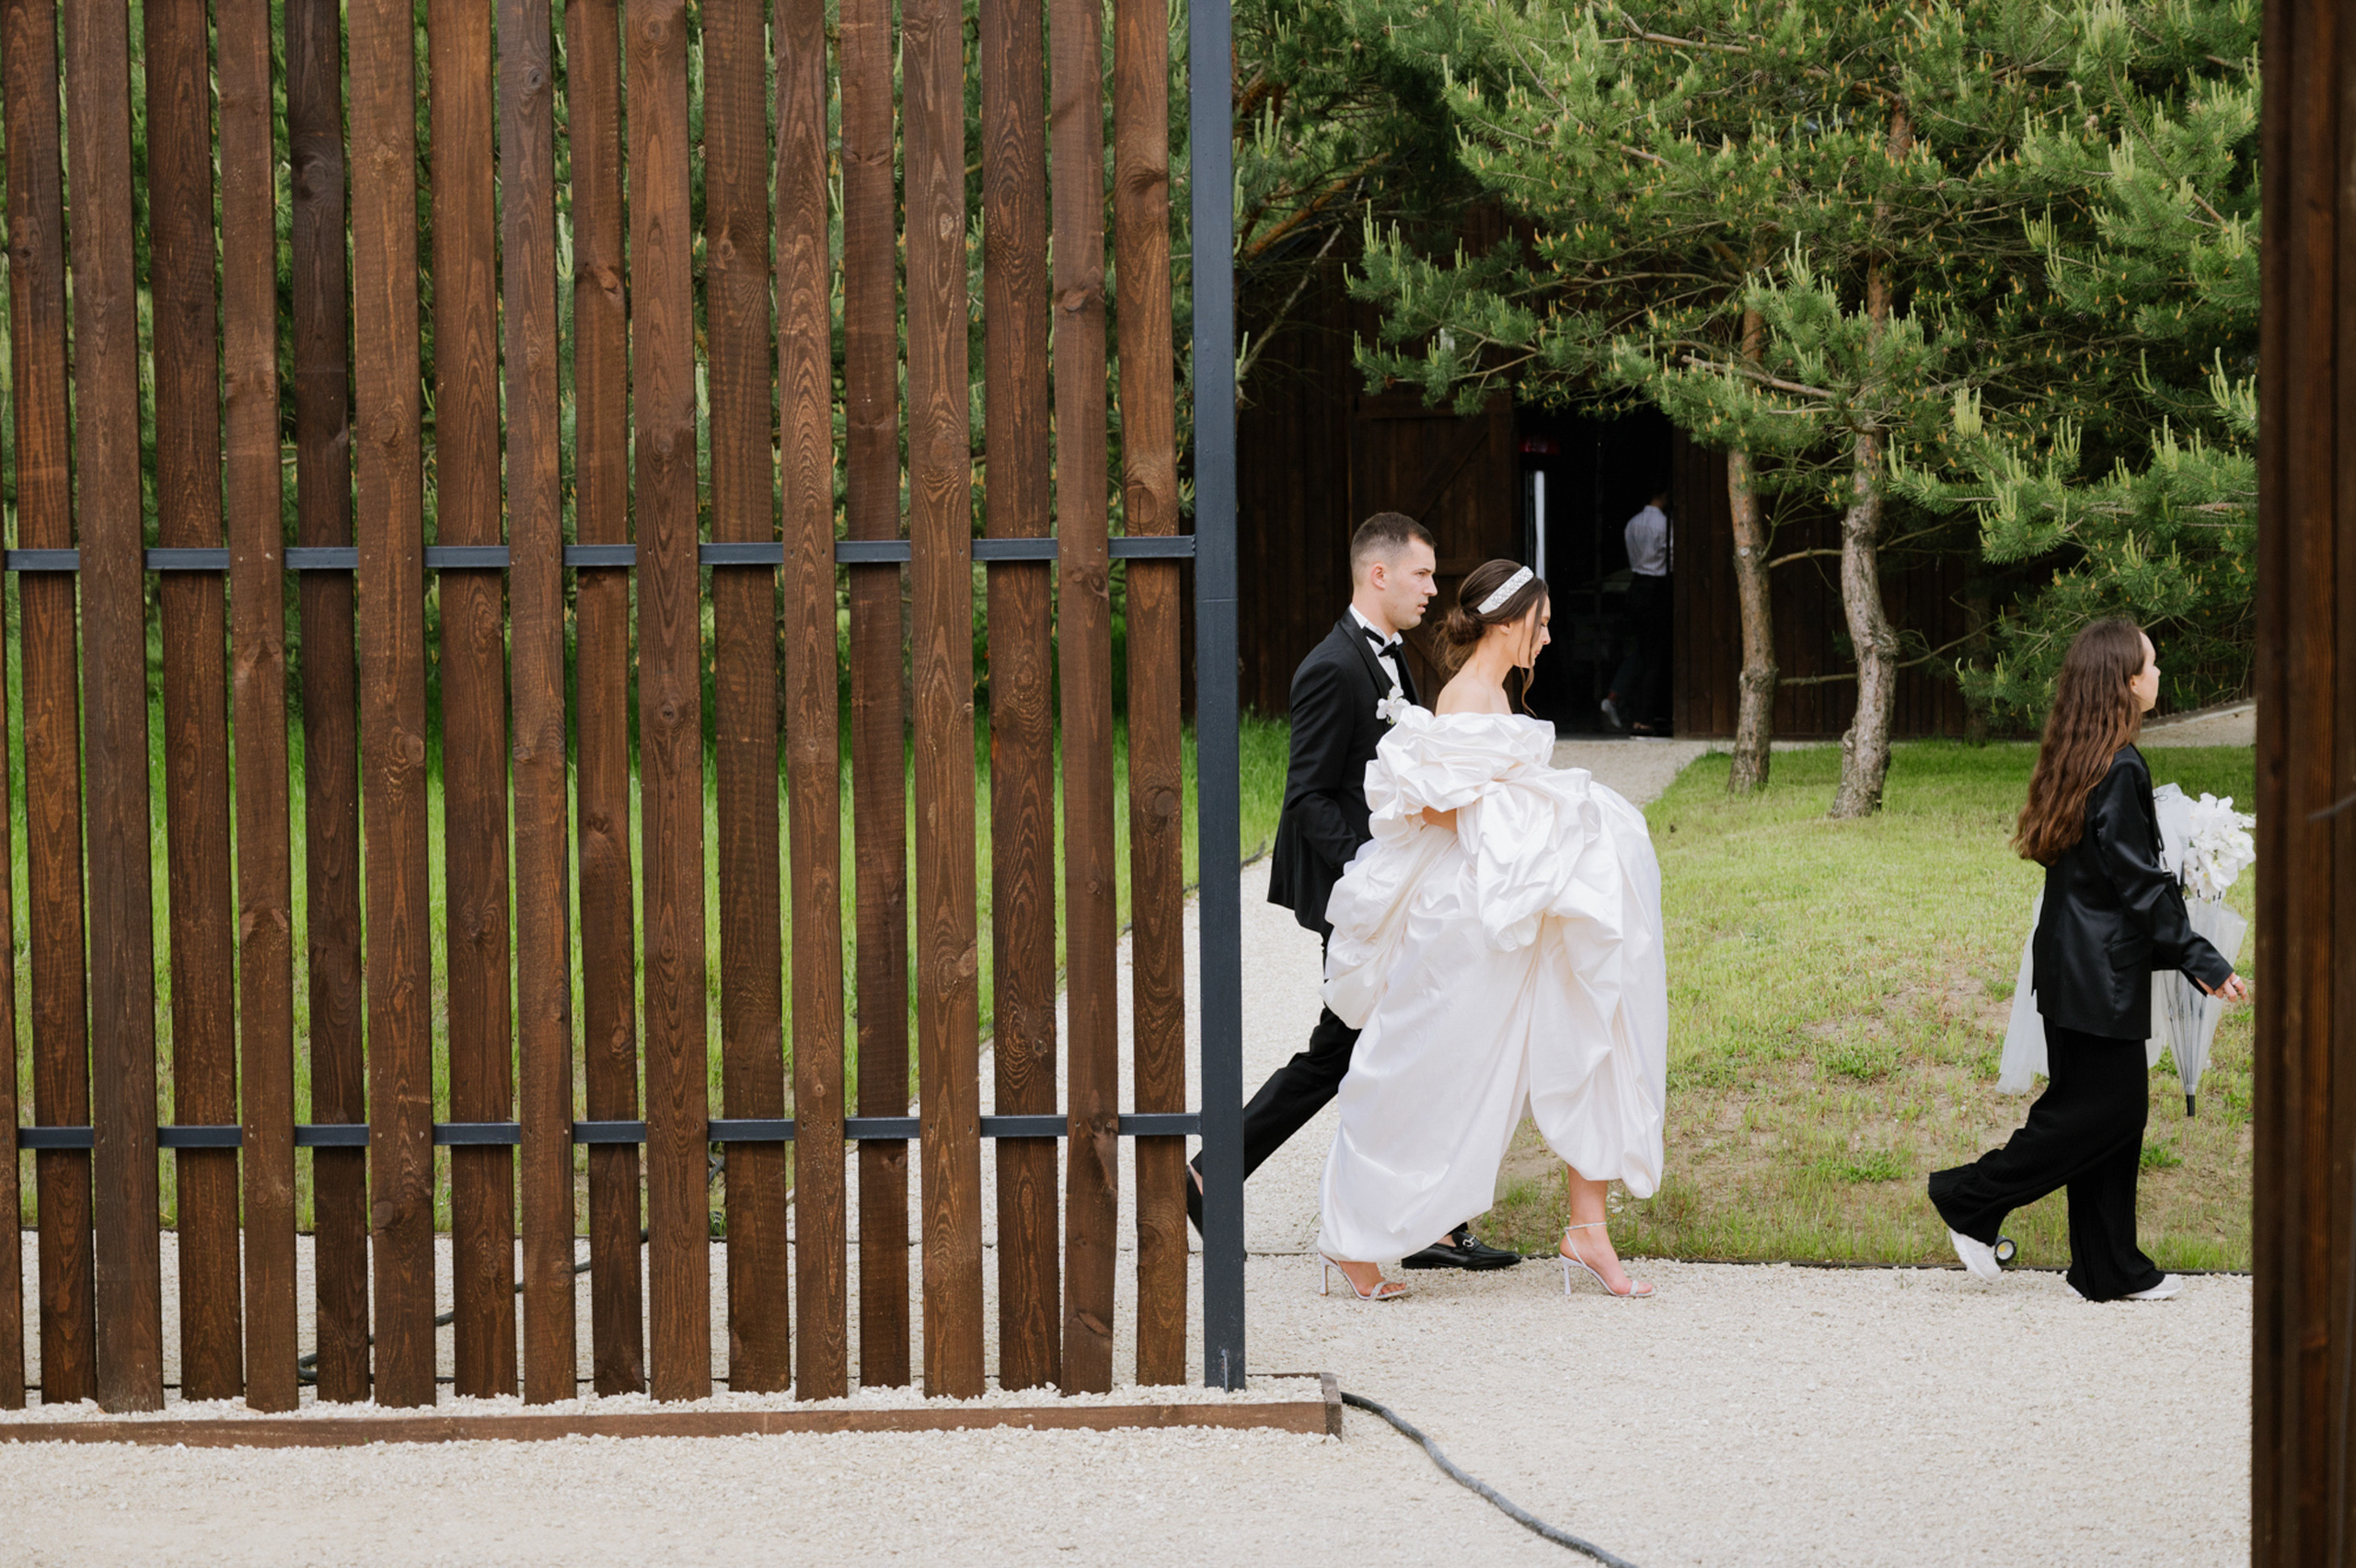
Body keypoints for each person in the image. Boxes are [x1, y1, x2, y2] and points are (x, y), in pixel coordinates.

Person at [1311, 559, 1669, 1301]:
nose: (1548, 634)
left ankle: (1588, 1228)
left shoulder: (1494, 693)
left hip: (1512, 905)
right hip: (1472, 914)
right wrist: (1555, 807)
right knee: (1420, 1066)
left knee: (1590, 1023)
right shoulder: (1468, 698)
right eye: (1541, 621)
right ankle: (1353, 1238)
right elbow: (1442, 809)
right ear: (1510, 623)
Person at [1187, 513, 1521, 1274]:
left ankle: (1425, 1223)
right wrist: (1370, 878)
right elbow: (1307, 797)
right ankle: (1221, 1173)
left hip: (1392, 887)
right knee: (1348, 1051)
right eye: (1423, 575)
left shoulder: (1395, 662)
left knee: (1390, 1047)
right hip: (1359, 895)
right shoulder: (1331, 667)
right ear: (1379, 574)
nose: (1435, 591)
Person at [1928, 620, 2249, 1302]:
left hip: (2070, 965)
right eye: (2152, 664)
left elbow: (2111, 878)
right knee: (2105, 1114)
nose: (2160, 674)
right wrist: (2204, 959)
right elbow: (2139, 886)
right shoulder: (2122, 763)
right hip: (2100, 974)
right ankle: (1968, 1197)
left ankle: (2108, 1269)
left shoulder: (2079, 754)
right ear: (2127, 681)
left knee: (2095, 1112)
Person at [1601, 488, 1672, 735]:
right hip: (1655, 588)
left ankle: (1623, 703)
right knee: (1654, 656)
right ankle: (1643, 719)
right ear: (1663, 494)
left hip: (1636, 586)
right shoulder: (1664, 524)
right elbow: (1673, 557)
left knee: (1643, 651)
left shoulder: (1633, 523)